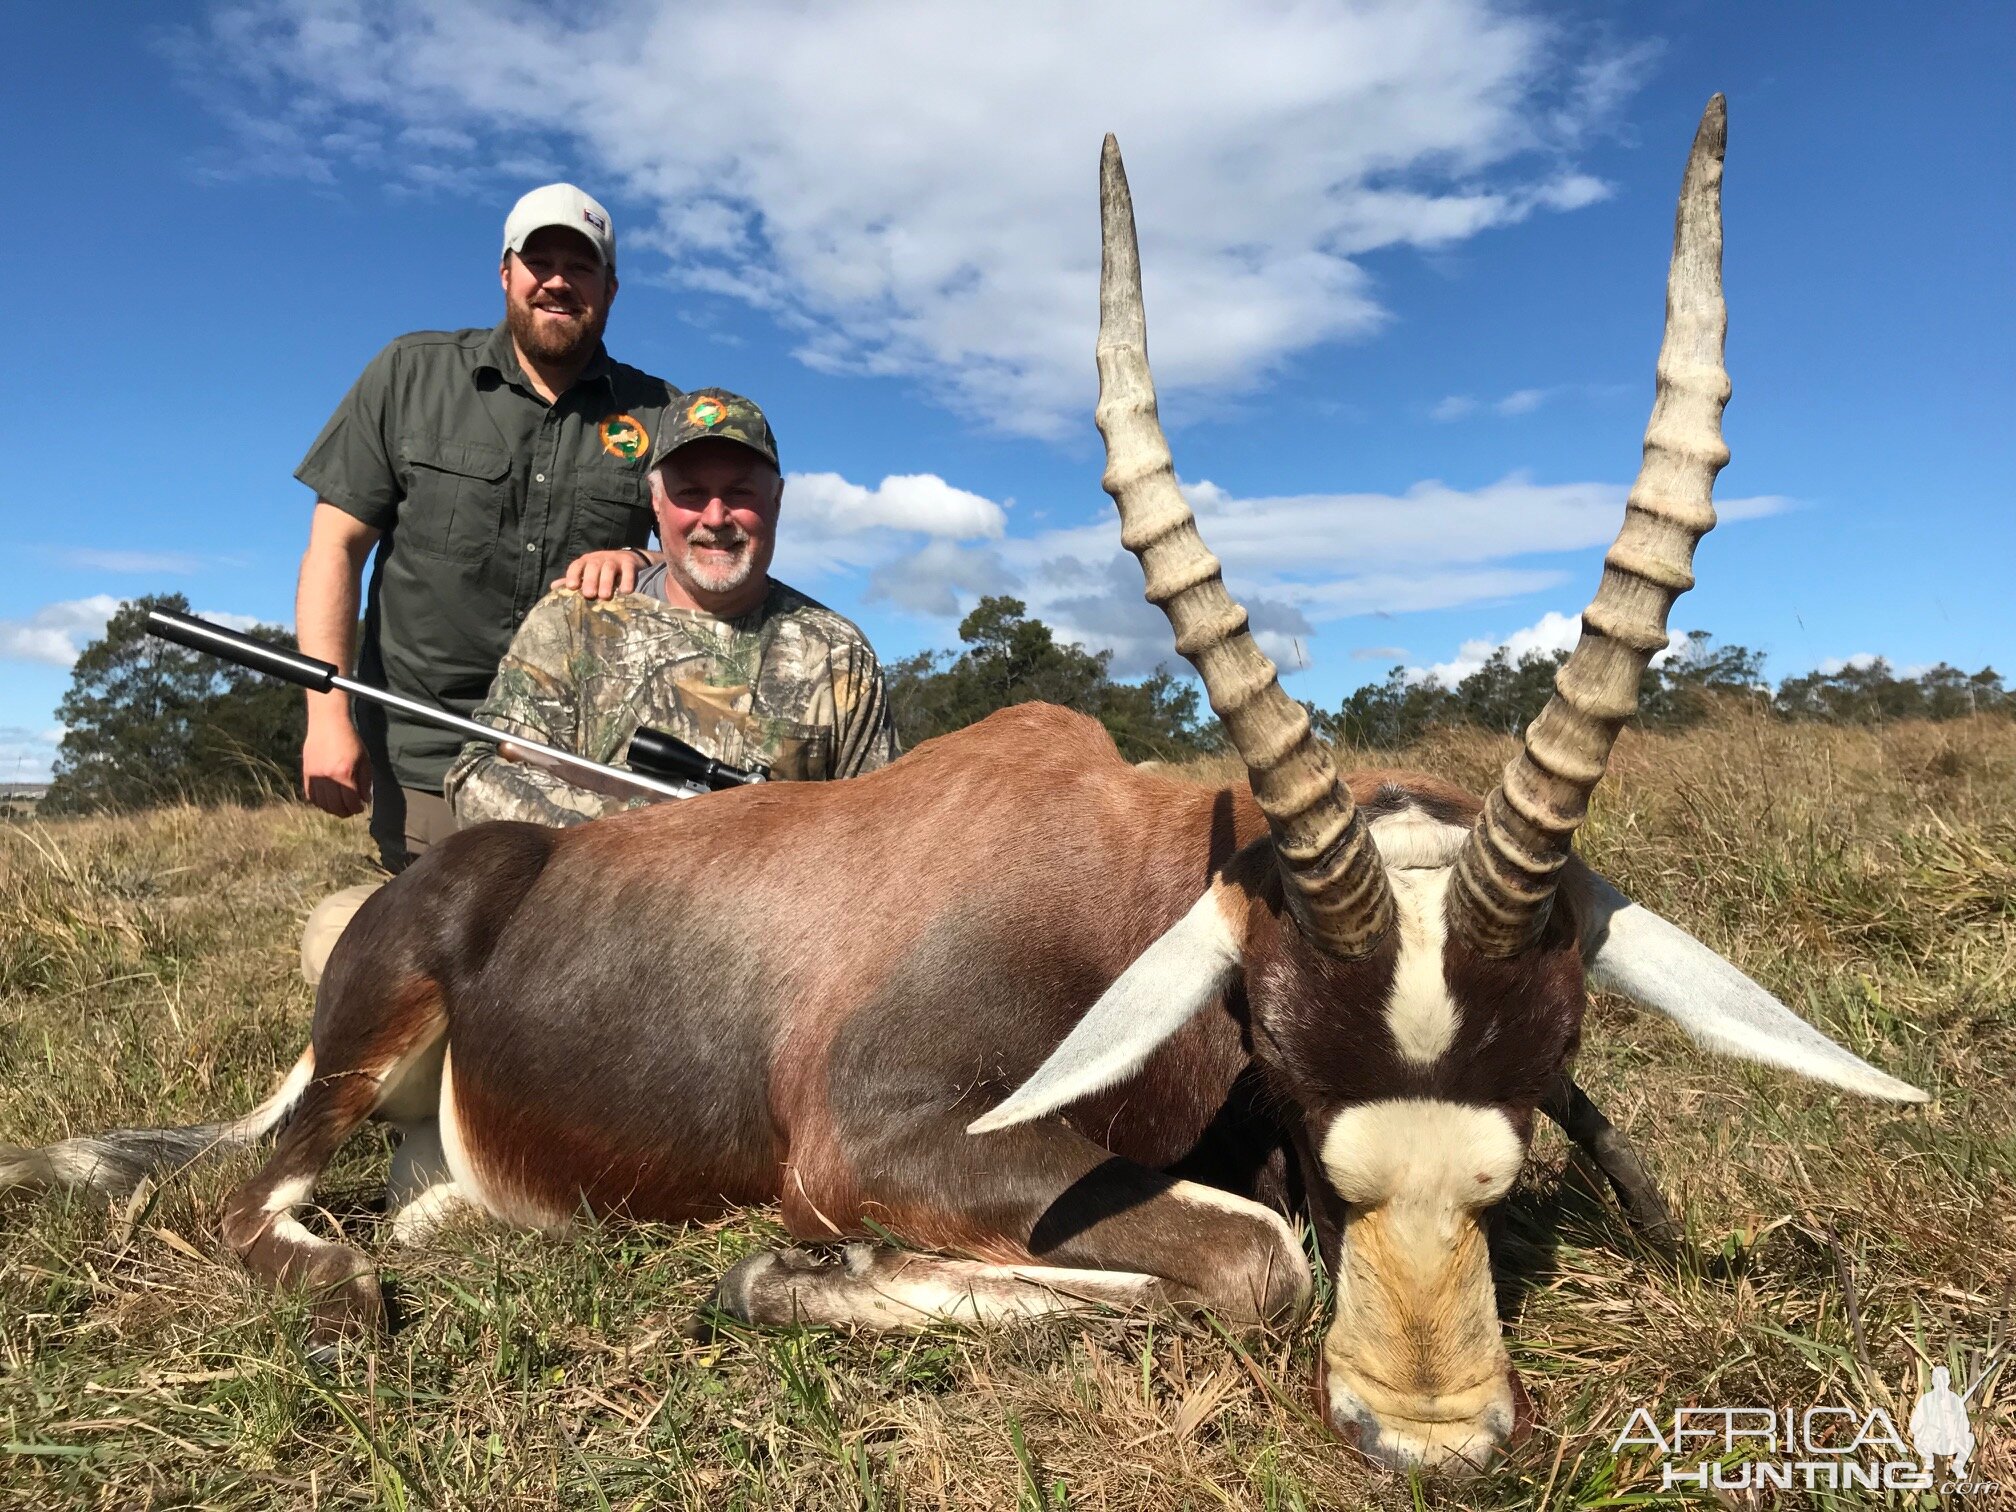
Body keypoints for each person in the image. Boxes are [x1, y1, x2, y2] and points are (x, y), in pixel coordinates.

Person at [293, 182, 675, 874]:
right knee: (432, 957)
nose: (558, 282)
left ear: (611, 288)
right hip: (426, 754)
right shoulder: (409, 374)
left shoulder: (660, 416)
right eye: (540, 262)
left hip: (584, 769)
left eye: (581, 266)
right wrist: (326, 719)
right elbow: (334, 549)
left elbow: (708, 571)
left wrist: (642, 561)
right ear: (506, 273)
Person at [445, 388, 899, 826]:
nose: (716, 517)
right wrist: (656, 840)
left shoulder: (840, 655)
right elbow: (477, 777)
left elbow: (878, 833)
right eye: (692, 493)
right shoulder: (574, 617)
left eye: (740, 493)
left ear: (776, 500)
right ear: (656, 503)